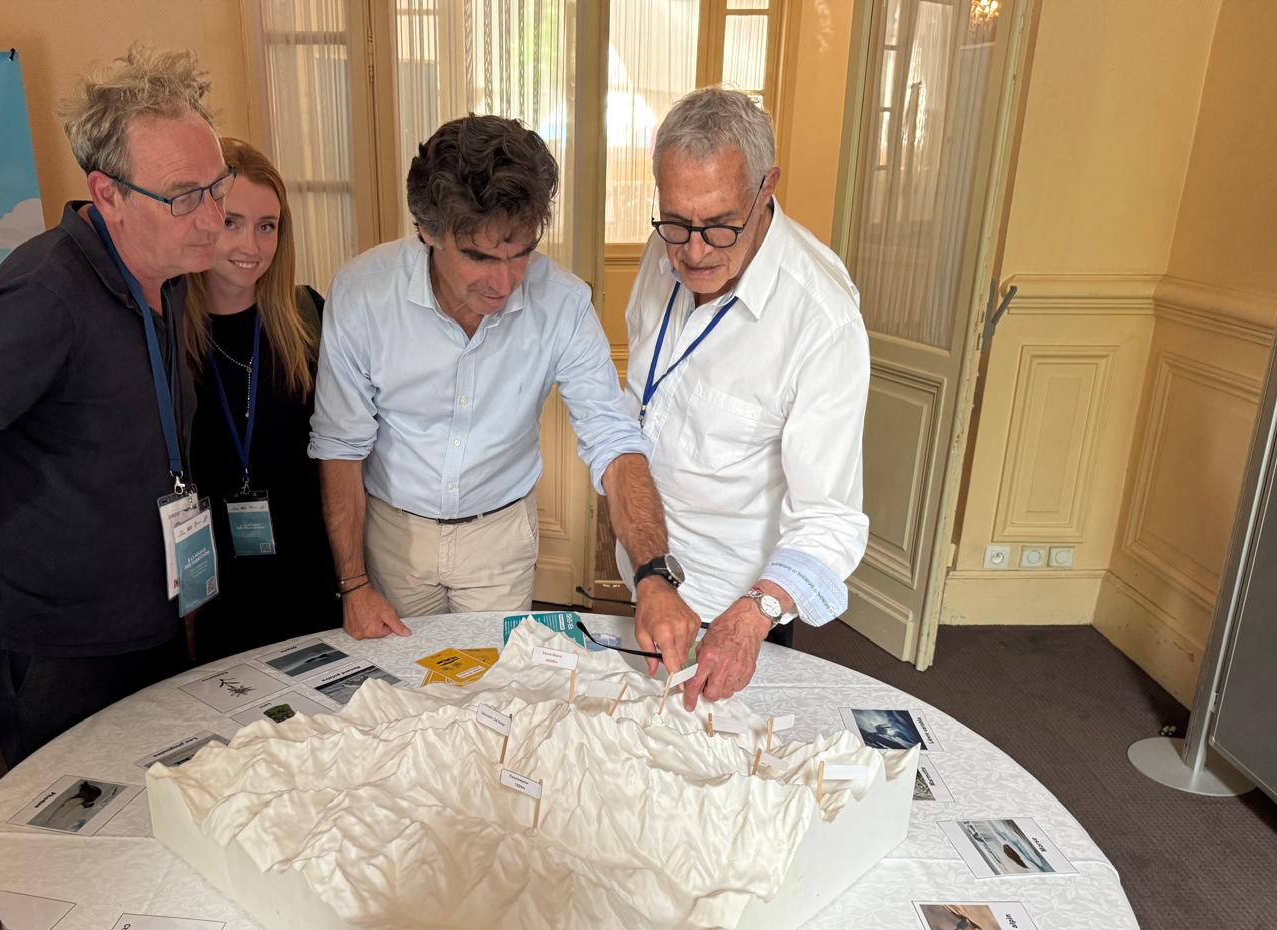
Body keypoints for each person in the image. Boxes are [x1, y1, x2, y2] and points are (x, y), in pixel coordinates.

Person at [0, 47, 231, 766]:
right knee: (80, 819)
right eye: (184, 196)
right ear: (108, 194)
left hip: (143, 618)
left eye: (218, 186)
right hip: (59, 644)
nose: (214, 217)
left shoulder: (163, 270)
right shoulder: (46, 296)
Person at [310, 114, 699, 668]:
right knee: (401, 689)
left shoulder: (562, 302)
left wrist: (653, 574)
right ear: (428, 231)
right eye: (479, 256)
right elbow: (340, 445)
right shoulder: (362, 295)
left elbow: (613, 439)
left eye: (521, 252)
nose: (505, 282)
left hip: (500, 537)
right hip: (393, 534)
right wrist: (353, 584)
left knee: (494, 689)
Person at [622, 87, 870, 710]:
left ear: (767, 188)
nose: (693, 251)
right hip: (649, 580)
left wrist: (753, 615)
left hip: (734, 617)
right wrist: (648, 569)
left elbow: (831, 520)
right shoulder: (667, 249)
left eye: (719, 226)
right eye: (676, 223)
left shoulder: (820, 318)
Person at [182, 137, 339, 662]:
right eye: (232, 222)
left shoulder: (309, 319)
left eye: (267, 226)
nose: (251, 244)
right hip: (216, 589)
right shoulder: (166, 338)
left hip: (310, 573)